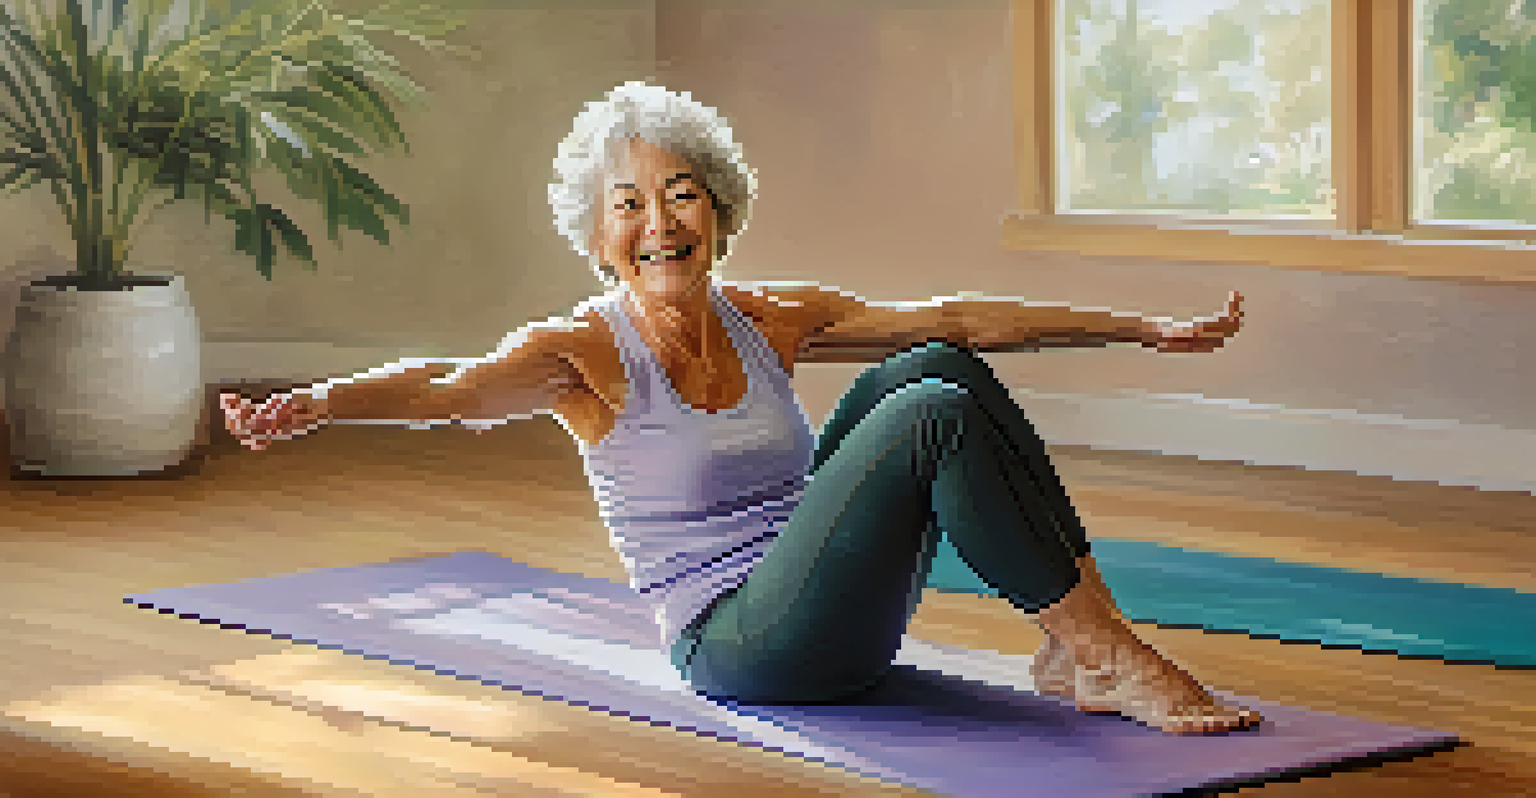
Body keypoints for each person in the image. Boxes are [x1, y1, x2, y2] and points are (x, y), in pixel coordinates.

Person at [221, 81, 1260, 735]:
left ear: (719, 209)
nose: (660, 222)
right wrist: (320, 403)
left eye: (681, 193)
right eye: (628, 205)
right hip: (740, 647)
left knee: (939, 366)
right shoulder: (581, 351)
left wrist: (1140, 328)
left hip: (839, 609)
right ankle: (1104, 654)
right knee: (928, 412)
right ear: (597, 239)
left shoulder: (769, 316)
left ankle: (1079, 645)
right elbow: (448, 387)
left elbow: (959, 317)